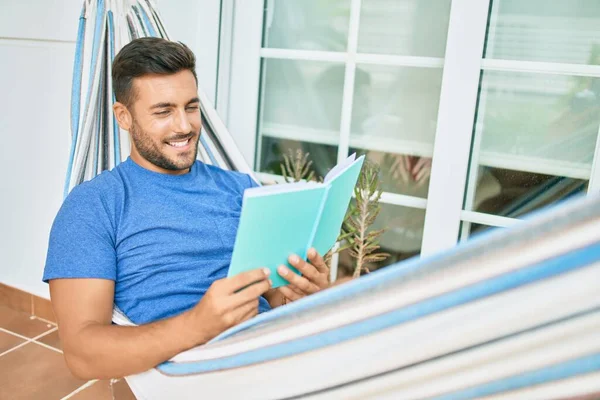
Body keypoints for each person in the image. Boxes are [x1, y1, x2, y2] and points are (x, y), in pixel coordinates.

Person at [43, 37, 330, 380]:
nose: (184, 126)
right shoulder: (94, 206)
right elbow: (82, 355)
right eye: (164, 111)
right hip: (195, 376)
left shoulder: (241, 189)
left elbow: (272, 294)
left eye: (191, 107)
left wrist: (300, 295)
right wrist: (199, 325)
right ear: (124, 116)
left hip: (273, 355)